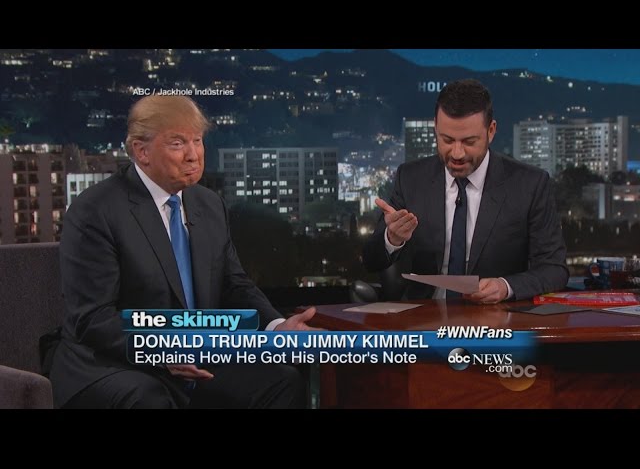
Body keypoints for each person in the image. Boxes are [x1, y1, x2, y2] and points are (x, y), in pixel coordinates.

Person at [49, 95, 317, 408]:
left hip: (196, 358)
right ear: (142, 151)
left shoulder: (209, 204)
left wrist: (276, 327)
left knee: (282, 381)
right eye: (177, 143)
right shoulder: (96, 210)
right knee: (151, 399)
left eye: (197, 141)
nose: (193, 155)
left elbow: (234, 284)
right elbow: (93, 319)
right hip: (115, 363)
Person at [363, 79, 568, 303]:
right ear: (435, 128)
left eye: (469, 141)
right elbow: (371, 261)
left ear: (491, 131)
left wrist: (505, 287)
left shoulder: (529, 185)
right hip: (424, 314)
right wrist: (392, 238)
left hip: (495, 317)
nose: (457, 153)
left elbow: (554, 269)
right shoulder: (411, 178)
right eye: (447, 140)